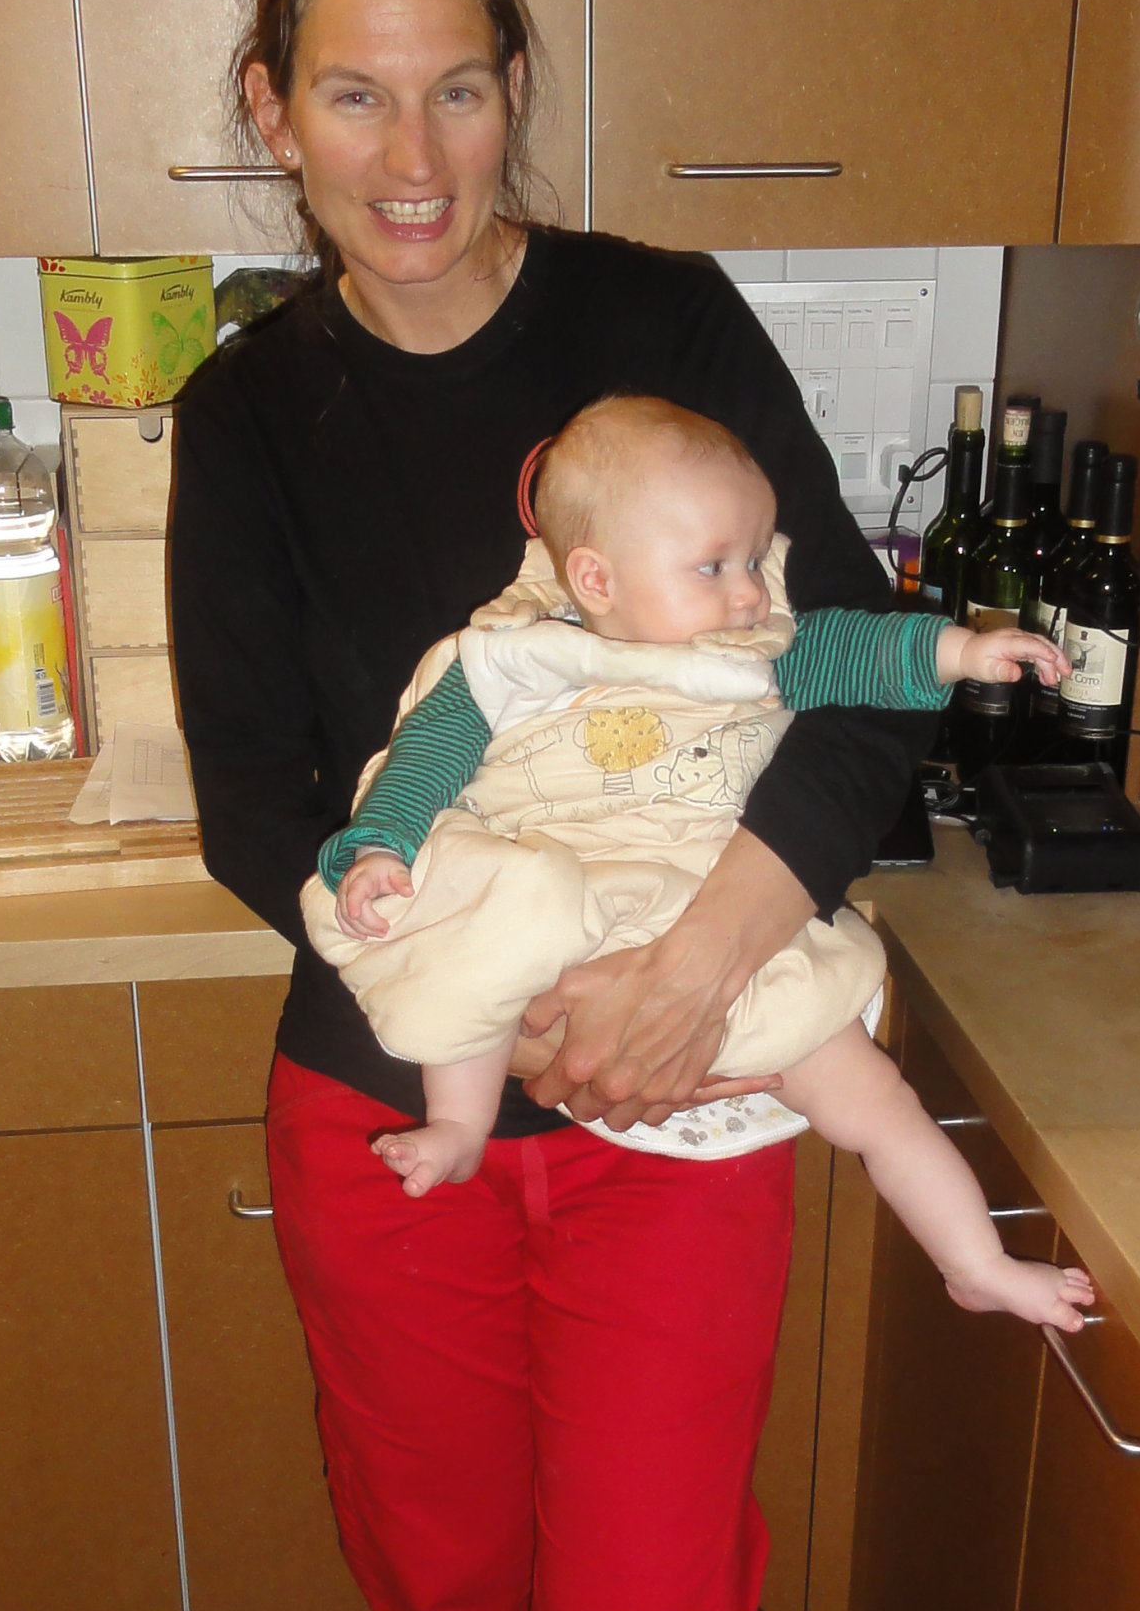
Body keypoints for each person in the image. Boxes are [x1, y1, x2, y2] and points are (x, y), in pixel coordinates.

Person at [171, 0, 1008, 1611]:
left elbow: (845, 670)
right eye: (353, 96)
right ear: (273, 111)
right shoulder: (248, 412)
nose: (412, 152)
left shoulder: (658, 320)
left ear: (517, 86)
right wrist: (485, 983)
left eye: (458, 88)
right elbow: (256, 800)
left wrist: (690, 966)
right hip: (399, 1105)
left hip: (686, 1090)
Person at [304, 392, 1096, 1337]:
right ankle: (459, 1126)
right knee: (484, 941)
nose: (751, 593)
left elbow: (854, 647)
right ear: (596, 577)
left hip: (706, 920)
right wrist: (380, 849)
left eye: (755, 560)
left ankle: (975, 1263)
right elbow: (421, 764)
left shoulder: (746, 654)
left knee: (875, 1097)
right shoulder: (512, 662)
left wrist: (962, 649)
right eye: (714, 566)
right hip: (567, 910)